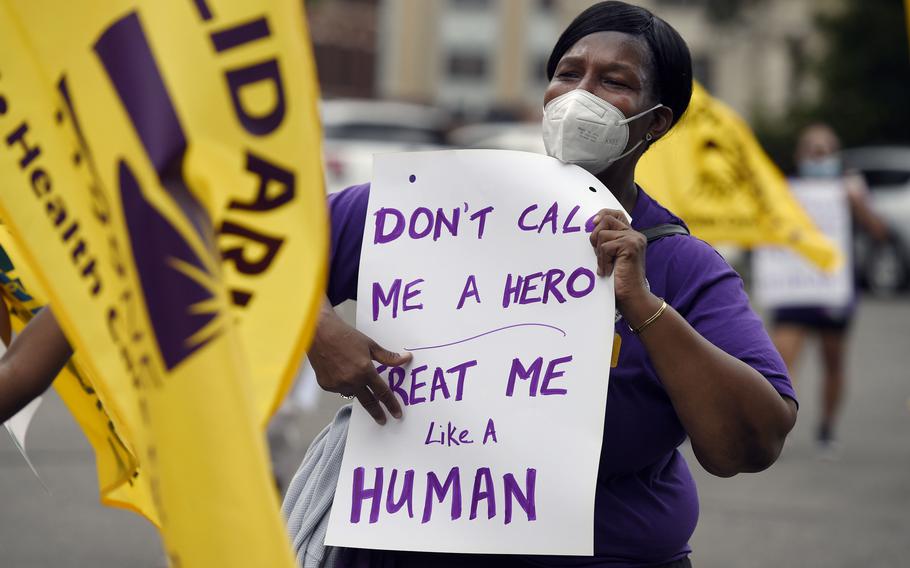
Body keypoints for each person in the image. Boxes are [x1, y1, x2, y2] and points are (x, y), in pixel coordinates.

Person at [306, 2, 797, 566]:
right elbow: (255, 249)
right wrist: (320, 332)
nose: (578, 96)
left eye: (614, 81)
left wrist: (646, 309)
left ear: (656, 121)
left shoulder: (679, 265)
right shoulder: (434, 208)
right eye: (568, 74)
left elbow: (751, 444)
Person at [771, 123, 888, 455]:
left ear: (836, 155)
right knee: (780, 359)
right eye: (812, 150)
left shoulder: (850, 190)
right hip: (793, 289)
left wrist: (858, 202)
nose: (818, 157)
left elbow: (879, 232)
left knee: (833, 360)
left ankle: (826, 427)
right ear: (800, 154)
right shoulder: (784, 190)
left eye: (825, 151)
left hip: (832, 291)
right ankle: (779, 424)